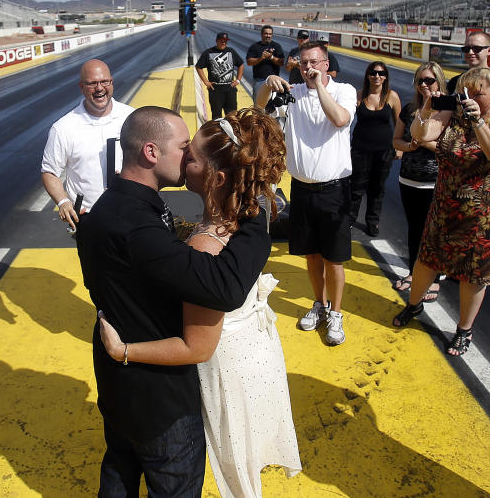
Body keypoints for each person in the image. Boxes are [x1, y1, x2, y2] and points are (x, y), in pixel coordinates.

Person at [98, 109, 300, 498]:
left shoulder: (206, 246)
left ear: (216, 178)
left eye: (191, 155)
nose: (185, 155)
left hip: (217, 376)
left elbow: (199, 344)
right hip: (254, 361)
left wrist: (124, 350)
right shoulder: (247, 214)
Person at [392, 67, 490, 356]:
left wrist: (478, 122)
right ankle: (413, 305)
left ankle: (464, 329)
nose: (468, 97)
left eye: (477, 92)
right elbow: (419, 134)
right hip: (446, 205)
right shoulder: (452, 116)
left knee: (474, 274)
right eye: (463, 91)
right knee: (427, 259)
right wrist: (427, 109)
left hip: (486, 215)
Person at [257, 41, 355, 345]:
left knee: (333, 258)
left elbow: (339, 119)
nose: (308, 68)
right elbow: (259, 109)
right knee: (311, 254)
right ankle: (319, 303)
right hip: (301, 188)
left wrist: (318, 87)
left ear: (326, 65)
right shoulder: (294, 93)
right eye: (303, 64)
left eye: (314, 62)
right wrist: (266, 84)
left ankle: (335, 313)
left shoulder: (344, 91)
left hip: (334, 189)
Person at [41, 59, 134, 231]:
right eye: (92, 83)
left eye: (104, 82)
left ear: (111, 82)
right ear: (81, 87)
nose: (99, 88)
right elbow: (50, 172)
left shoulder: (132, 117)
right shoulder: (63, 128)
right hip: (89, 220)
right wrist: (63, 202)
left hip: (131, 214)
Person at [391, 61, 446, 301]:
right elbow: (396, 141)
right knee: (415, 230)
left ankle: (434, 278)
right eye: (420, 80)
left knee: (433, 231)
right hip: (409, 179)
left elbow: (449, 147)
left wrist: (422, 141)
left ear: (439, 82)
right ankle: (414, 273)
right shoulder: (410, 108)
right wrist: (409, 145)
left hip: (435, 182)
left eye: (429, 80)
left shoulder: (447, 110)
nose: (424, 85)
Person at [349, 61, 402, 237]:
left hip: (384, 150)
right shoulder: (359, 95)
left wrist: (400, 146)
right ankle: (350, 217)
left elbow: (400, 122)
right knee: (356, 186)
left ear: (385, 76)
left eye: (380, 73)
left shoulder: (392, 96)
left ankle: (372, 221)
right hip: (360, 148)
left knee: (377, 187)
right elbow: (345, 120)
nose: (376, 76)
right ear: (367, 75)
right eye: (373, 73)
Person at [447, 31, 490, 103]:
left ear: (489, 51)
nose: (470, 52)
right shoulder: (455, 82)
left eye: (476, 48)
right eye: (466, 49)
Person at [196, 32, 244, 118]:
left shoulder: (231, 51)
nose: (223, 43)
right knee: (216, 116)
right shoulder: (208, 53)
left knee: (232, 116)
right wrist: (206, 82)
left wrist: (238, 80)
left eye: (225, 41)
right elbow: (198, 67)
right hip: (215, 90)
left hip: (230, 88)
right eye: (221, 41)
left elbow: (241, 64)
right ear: (217, 41)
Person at [246, 25, 285, 94]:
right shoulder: (255, 46)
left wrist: (271, 57)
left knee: (274, 103)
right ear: (261, 34)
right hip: (259, 80)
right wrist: (261, 58)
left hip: (274, 80)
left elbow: (281, 62)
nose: (268, 36)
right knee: (258, 104)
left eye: (270, 34)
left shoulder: (277, 46)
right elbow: (249, 62)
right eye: (266, 33)